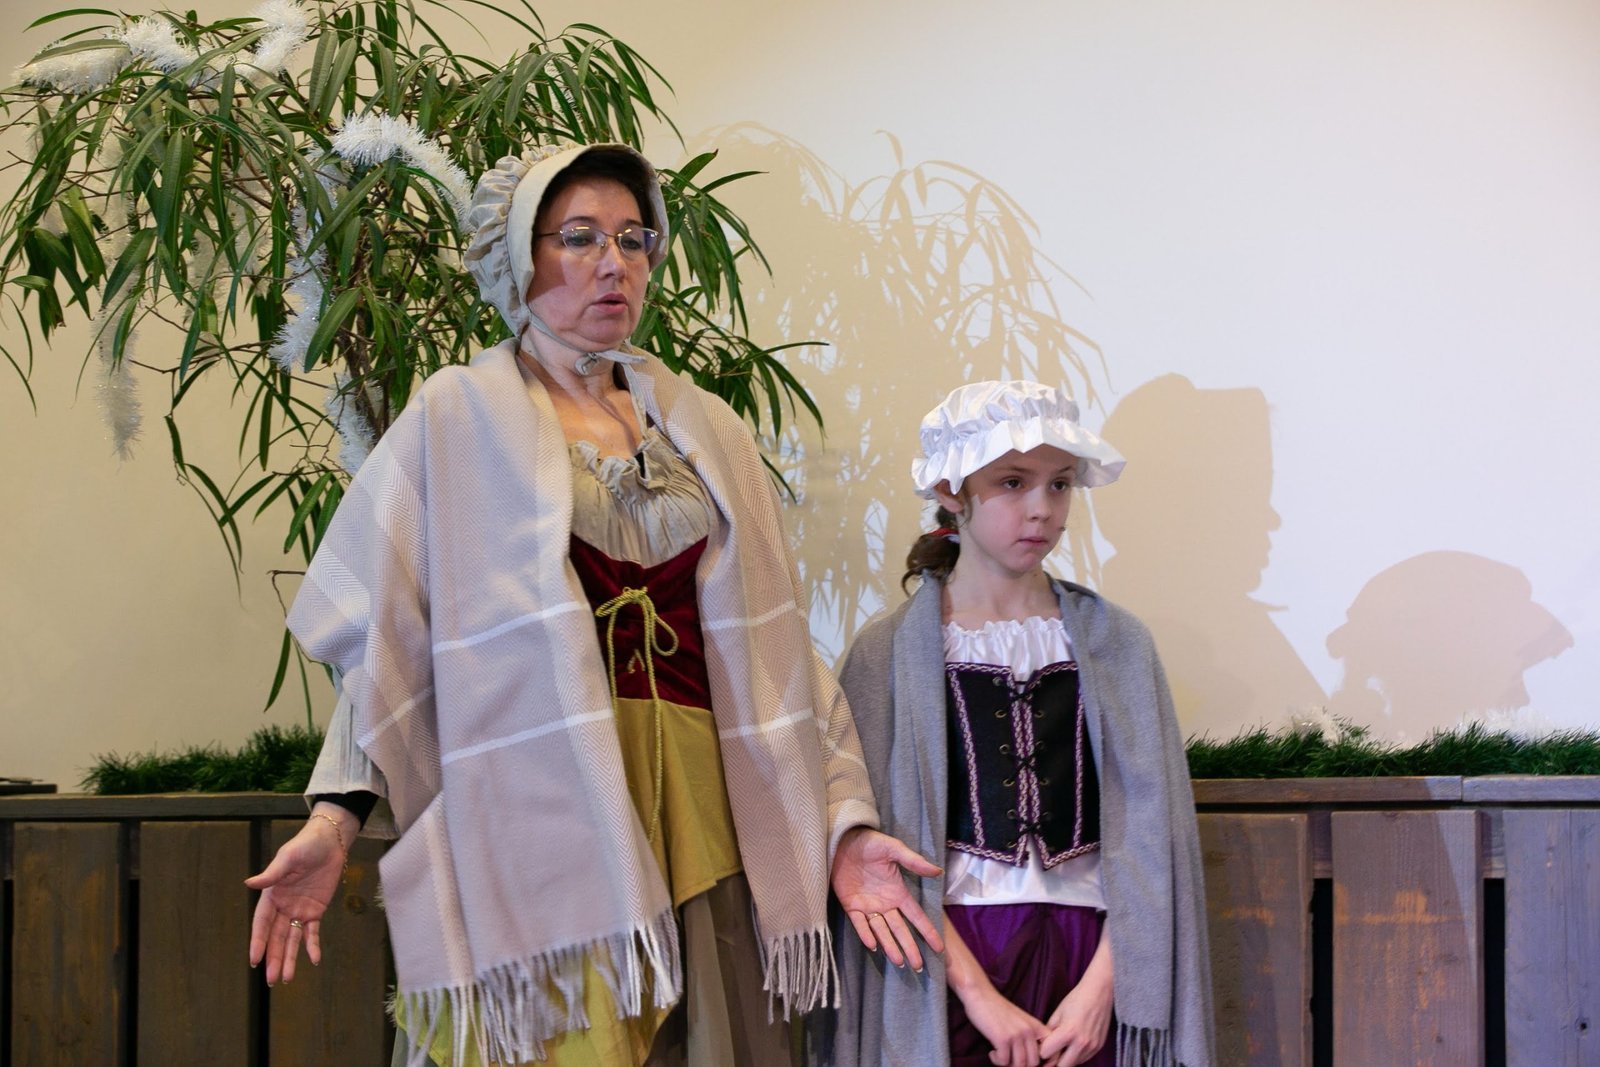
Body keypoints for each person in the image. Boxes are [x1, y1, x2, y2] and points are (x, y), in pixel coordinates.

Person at [244, 142, 942, 1067]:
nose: (614, 262)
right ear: (518, 258)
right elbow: (391, 647)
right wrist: (334, 820)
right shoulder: (456, 415)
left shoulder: (704, 426)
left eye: (632, 237)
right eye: (579, 237)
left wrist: (844, 824)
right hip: (541, 812)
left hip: (707, 810)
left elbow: (779, 654)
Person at [813, 381, 1214, 1067]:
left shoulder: (1118, 645)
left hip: (1096, 952)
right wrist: (977, 996)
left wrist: (1101, 991)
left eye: (1060, 484)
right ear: (951, 489)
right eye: (1012, 482)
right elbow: (874, 852)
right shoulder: (887, 655)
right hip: (946, 960)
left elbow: (1156, 839)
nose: (1042, 509)